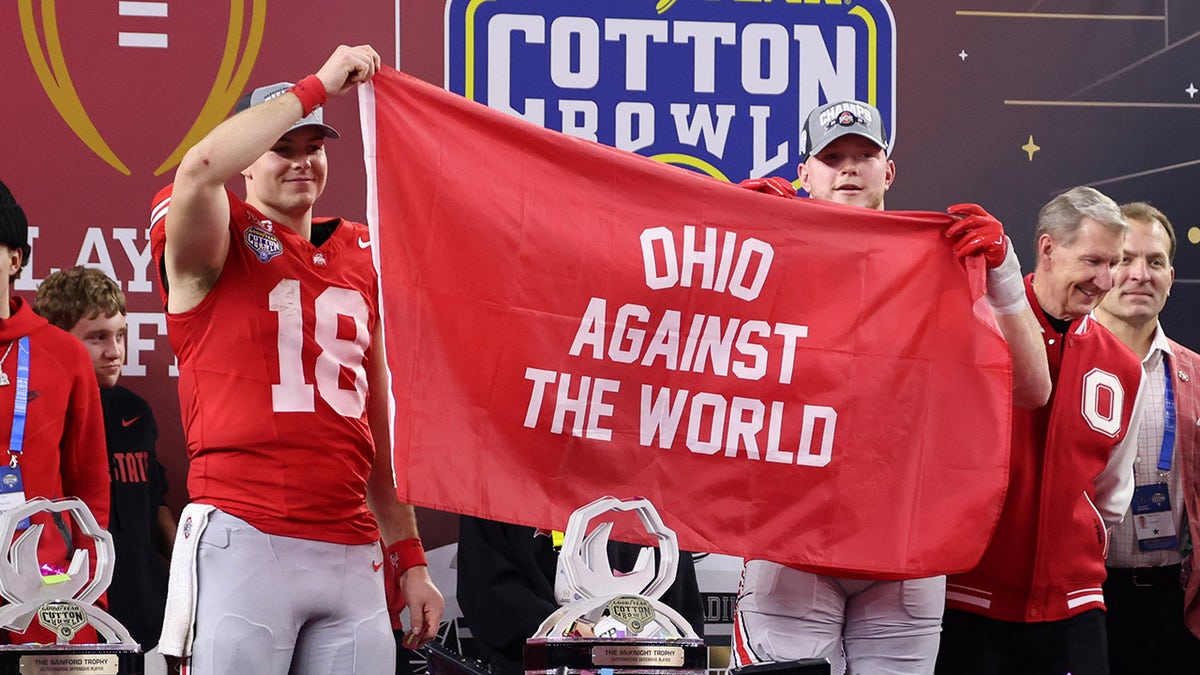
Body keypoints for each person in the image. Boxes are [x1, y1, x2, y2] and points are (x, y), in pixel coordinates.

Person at [149, 44, 443, 674]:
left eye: (313, 147)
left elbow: (376, 419)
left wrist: (410, 555)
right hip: (245, 529)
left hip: (350, 543)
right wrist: (316, 87)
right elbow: (198, 170)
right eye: (283, 146)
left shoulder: (363, 252)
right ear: (247, 163)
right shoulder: (216, 235)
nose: (302, 161)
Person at [730, 100, 1052, 675]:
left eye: (863, 155)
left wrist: (1002, 277)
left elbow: (1032, 389)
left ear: (890, 169)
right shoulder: (767, 253)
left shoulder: (947, 261)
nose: (849, 169)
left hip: (906, 537)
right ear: (805, 173)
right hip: (792, 535)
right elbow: (686, 355)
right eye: (832, 158)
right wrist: (733, 238)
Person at [938, 186, 1145, 675]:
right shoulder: (972, 327)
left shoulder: (1123, 367)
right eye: (1093, 260)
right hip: (968, 601)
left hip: (1075, 609)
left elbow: (1113, 494)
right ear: (1048, 248)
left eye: (1112, 264)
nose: (1105, 280)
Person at [33, 265, 177, 651]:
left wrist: (187, 580)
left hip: (147, 615)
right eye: (97, 338)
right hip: (70, 615)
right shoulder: (36, 418)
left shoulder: (136, 411)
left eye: (121, 336)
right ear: (59, 340)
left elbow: (155, 499)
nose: (114, 352)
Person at [0, 181, 110, 643]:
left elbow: (90, 486)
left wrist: (92, 598)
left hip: (43, 591)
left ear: (15, 259)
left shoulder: (62, 354)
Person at [1092, 203, 1200, 673]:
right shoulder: (1052, 367)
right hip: (1082, 601)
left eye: (1154, 262)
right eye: (1123, 260)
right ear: (1099, 270)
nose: (1139, 274)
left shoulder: (1195, 375)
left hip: (1173, 605)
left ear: (1171, 276)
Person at [456, 515, 707, 675]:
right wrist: (570, 632)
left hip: (642, 662)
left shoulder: (652, 492)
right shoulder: (498, 475)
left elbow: (679, 621)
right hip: (528, 662)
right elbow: (486, 590)